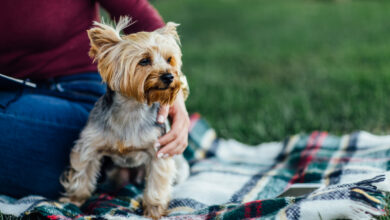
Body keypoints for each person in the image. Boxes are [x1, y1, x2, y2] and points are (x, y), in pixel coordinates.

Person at [0, 0, 190, 199]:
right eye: (144, 61)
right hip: (13, 92)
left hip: (78, 90)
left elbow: (144, 19)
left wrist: (178, 98)